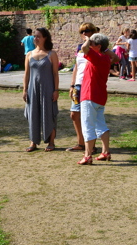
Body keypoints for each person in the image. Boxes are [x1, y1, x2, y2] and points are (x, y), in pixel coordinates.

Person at [77, 32, 119, 165]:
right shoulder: (106, 58)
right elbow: (115, 57)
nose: (90, 45)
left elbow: (84, 48)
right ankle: (105, 152)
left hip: (89, 95)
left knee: (87, 126)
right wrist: (101, 46)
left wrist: (88, 40)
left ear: (98, 46)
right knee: (101, 125)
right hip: (99, 97)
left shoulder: (96, 56)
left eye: (93, 44)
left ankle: (87, 155)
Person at [22, 27, 59, 152]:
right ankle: (33, 142)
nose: (35, 38)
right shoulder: (29, 54)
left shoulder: (51, 54)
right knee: (33, 114)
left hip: (48, 88)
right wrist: (25, 90)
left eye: (38, 36)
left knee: (49, 113)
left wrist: (56, 90)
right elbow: (27, 74)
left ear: (45, 38)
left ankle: (51, 142)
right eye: (35, 36)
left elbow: (55, 74)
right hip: (33, 89)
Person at [66, 22, 98, 152]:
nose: (84, 34)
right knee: (74, 114)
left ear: (93, 32)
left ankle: (91, 145)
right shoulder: (80, 47)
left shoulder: (96, 46)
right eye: (82, 32)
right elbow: (76, 67)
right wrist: (72, 85)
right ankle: (81, 143)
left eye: (87, 31)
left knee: (89, 115)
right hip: (78, 85)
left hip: (90, 84)